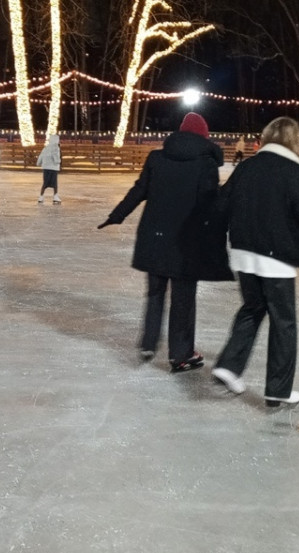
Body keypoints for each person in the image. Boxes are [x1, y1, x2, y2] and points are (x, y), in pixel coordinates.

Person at [211, 117, 299, 404]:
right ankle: (278, 389)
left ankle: (229, 365)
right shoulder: (296, 173)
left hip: (243, 254)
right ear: (295, 141)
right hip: (275, 260)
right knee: (283, 321)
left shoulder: (247, 167)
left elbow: (220, 206)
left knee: (252, 308)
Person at [98, 112, 232, 373]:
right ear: (204, 136)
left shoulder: (156, 158)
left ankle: (148, 343)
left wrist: (117, 215)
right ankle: (180, 355)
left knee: (155, 293)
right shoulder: (205, 164)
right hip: (186, 242)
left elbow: (139, 190)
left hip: (154, 238)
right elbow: (210, 206)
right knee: (183, 299)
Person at [36, 134, 62, 203]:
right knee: (54, 184)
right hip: (53, 168)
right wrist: (58, 162)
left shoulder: (46, 148)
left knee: (45, 183)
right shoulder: (56, 148)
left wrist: (38, 163)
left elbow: (41, 156)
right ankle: (55, 196)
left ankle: (41, 197)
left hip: (46, 167)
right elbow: (56, 158)